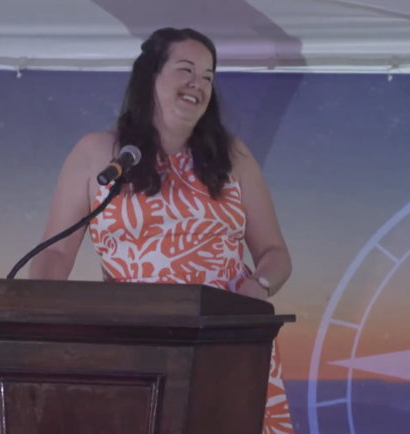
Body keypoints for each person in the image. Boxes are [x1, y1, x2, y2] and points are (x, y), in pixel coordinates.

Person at [29, 27, 294, 433]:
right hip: (133, 344)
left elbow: (276, 253)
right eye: (186, 69)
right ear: (151, 75)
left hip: (225, 340)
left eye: (208, 76)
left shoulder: (233, 156)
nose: (198, 83)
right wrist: (39, 324)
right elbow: (56, 252)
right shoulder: (99, 152)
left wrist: (257, 287)